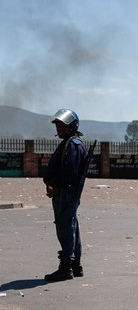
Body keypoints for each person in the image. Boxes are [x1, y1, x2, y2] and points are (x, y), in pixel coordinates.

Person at [43, 109, 88, 281]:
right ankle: (75, 266)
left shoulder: (74, 145)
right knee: (71, 227)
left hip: (66, 193)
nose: (59, 128)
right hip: (65, 192)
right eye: (58, 125)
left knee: (65, 229)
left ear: (72, 125)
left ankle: (66, 267)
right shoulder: (69, 143)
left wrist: (55, 185)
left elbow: (69, 171)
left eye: (63, 125)